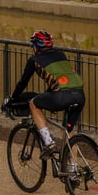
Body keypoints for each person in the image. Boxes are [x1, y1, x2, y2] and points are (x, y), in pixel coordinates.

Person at [9, 30, 85, 158]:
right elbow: (60, 79)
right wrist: (49, 96)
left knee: (33, 103)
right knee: (69, 133)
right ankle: (72, 171)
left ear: (36, 46)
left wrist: (13, 98)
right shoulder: (60, 54)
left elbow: (23, 83)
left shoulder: (34, 60)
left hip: (61, 97)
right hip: (80, 95)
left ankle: (49, 142)